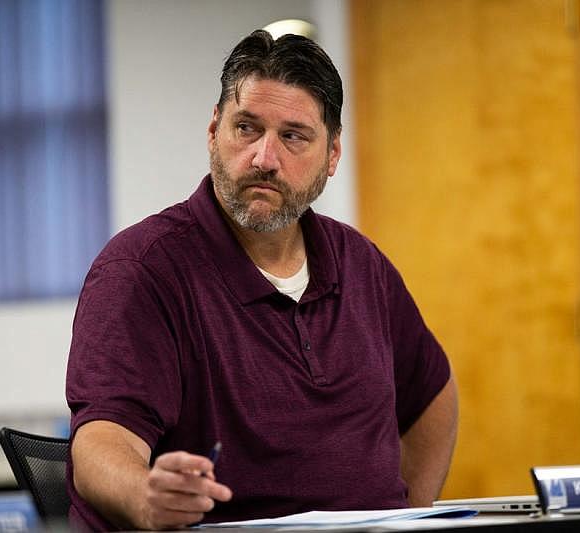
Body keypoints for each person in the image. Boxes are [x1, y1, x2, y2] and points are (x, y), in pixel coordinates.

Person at [66, 29, 458, 531]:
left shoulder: (361, 265)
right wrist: (146, 496)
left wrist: (407, 516)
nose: (265, 158)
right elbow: (102, 439)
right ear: (213, 130)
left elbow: (432, 392)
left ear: (332, 154)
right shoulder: (143, 270)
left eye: (293, 136)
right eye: (247, 128)